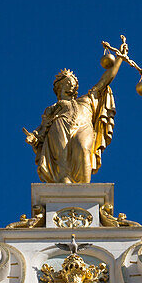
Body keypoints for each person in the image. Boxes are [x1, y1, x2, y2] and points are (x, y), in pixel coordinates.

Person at [24, 51, 125, 184]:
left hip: (83, 126)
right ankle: (64, 181)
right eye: (67, 82)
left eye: (72, 82)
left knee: (83, 148)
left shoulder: (88, 98)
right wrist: (35, 136)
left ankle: (85, 189)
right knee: (62, 161)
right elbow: (44, 126)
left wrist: (119, 59)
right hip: (60, 126)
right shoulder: (53, 107)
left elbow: (105, 80)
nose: (71, 85)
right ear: (60, 86)